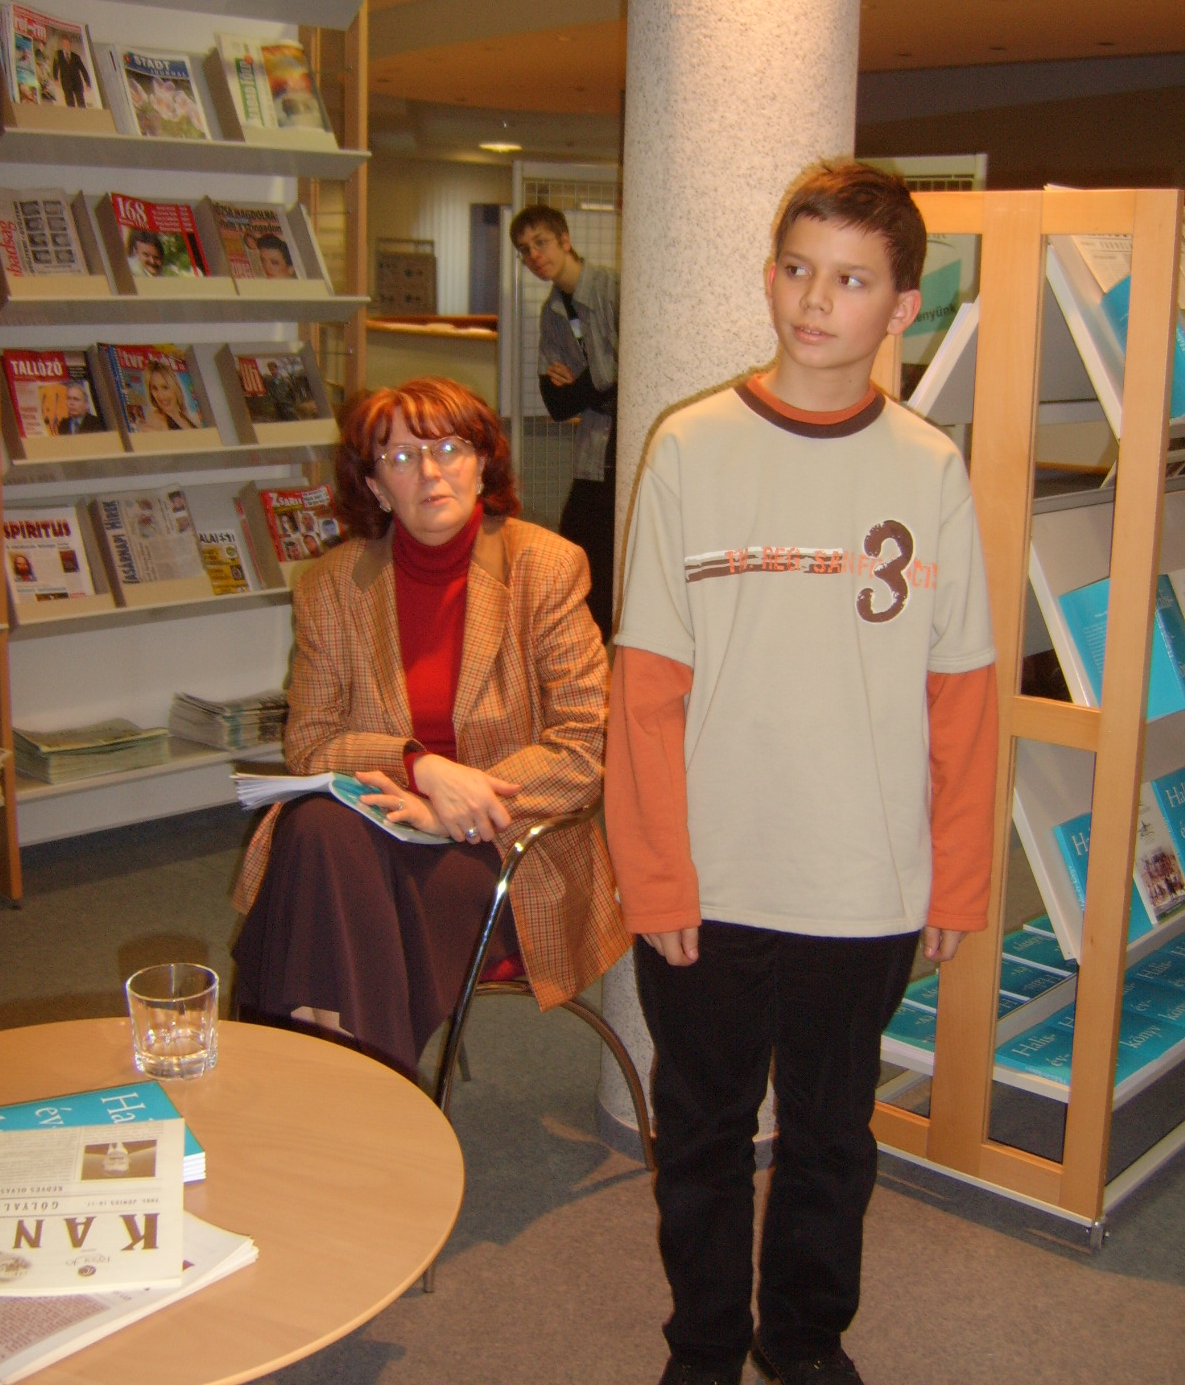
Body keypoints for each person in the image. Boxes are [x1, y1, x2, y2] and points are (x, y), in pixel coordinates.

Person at [604, 161, 998, 1385]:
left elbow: (964, 695)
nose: (816, 300)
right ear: (770, 276)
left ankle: (804, 1339)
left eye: (852, 279)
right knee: (703, 1133)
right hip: (713, 881)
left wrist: (957, 879)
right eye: (797, 268)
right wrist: (656, 875)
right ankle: (705, 1344)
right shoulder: (689, 446)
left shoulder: (929, 466)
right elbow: (645, 690)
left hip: (863, 882)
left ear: (904, 306)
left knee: (832, 1138)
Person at [232, 375, 629, 1075]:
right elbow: (310, 743)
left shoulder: (545, 567)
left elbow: (585, 748)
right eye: (401, 457)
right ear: (376, 487)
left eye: (448, 448)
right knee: (319, 833)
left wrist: (451, 810)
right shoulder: (332, 585)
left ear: (481, 463)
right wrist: (421, 768)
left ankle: (325, 1078)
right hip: (374, 829)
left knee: (318, 876)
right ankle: (366, 1093)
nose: (430, 471)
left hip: (501, 847)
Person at [510, 205, 619, 641]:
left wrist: (583, 384)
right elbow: (557, 403)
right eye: (525, 250)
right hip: (594, 450)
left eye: (541, 243)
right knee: (577, 549)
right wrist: (599, 382)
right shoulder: (553, 312)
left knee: (608, 559)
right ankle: (589, 650)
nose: (534, 256)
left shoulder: (613, 289)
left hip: (627, 447)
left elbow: (634, 375)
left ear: (565, 240)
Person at [143, 362, 200, 431]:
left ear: (175, 387)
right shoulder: (155, 419)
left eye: (165, 388)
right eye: (155, 389)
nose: (161, 396)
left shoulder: (190, 416)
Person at [51, 31, 90, 107]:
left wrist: (88, 83)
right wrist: (55, 79)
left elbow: (83, 70)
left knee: (81, 102)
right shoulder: (58, 54)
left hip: (77, 82)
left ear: (70, 44)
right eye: (64, 44)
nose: (66, 46)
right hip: (66, 82)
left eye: (67, 44)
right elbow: (55, 67)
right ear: (62, 44)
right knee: (70, 102)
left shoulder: (76, 56)